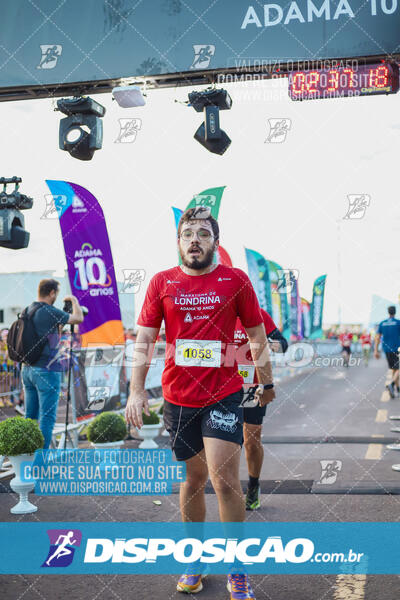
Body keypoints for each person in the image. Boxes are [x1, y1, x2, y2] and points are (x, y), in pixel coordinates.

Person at [126, 207, 275, 600]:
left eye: (203, 234)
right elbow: (144, 340)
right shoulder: (161, 282)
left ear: (215, 242)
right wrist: (136, 390)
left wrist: (267, 382)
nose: (195, 239)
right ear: (178, 243)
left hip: (224, 394)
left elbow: (257, 336)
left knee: (225, 480)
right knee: (193, 480)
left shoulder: (236, 281)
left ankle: (237, 567)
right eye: (187, 233)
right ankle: (195, 558)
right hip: (178, 397)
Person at [234, 308, 287, 510]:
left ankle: (253, 484)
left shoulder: (258, 314)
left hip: (251, 388)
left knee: (251, 441)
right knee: (225, 442)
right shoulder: (217, 311)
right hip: (224, 387)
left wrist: (270, 345)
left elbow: (283, 344)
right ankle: (229, 489)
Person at [22, 279, 83, 449]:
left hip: (27, 369)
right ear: (52, 293)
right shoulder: (50, 311)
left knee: (30, 417)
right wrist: (74, 300)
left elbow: (54, 331)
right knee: (47, 418)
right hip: (47, 369)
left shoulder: (28, 310)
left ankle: (27, 456)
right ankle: (40, 464)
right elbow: (78, 318)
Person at [375, 306, 400, 398]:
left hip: (386, 350)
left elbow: (377, 337)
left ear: (388, 312)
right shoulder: (398, 323)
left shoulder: (382, 323)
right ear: (395, 312)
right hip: (396, 349)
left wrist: (376, 350)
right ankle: (392, 384)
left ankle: (397, 389)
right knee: (398, 369)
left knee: (394, 369)